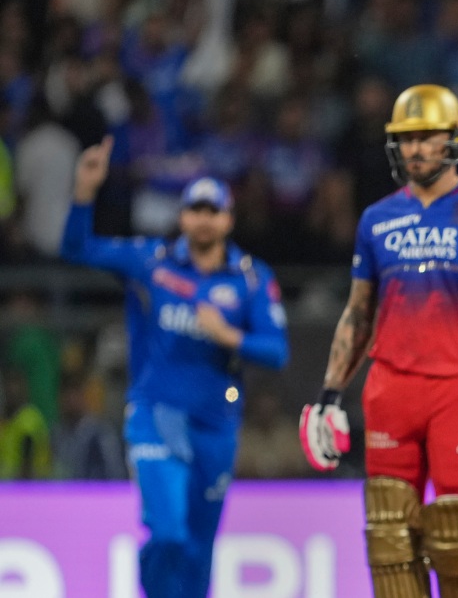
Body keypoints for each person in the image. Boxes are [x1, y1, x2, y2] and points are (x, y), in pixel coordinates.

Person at [299, 84, 458, 598]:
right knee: (390, 539)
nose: (414, 149)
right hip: (391, 390)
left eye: (426, 136)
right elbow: (358, 313)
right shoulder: (377, 219)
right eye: (406, 138)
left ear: (455, 138)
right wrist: (329, 395)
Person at [60, 138, 289, 598]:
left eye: (213, 211)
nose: (203, 219)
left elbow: (277, 352)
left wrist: (229, 336)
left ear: (228, 219)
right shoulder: (151, 261)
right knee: (167, 533)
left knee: (199, 549)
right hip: (155, 413)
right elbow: (77, 248)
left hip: (216, 423)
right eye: (195, 210)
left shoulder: (251, 278)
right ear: (182, 217)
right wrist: (84, 190)